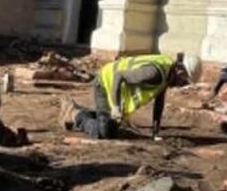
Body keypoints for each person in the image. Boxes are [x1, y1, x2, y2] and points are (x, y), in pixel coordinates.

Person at [62, 53, 191, 140]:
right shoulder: (153, 73)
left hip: (115, 89)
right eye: (183, 81)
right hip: (105, 82)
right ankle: (75, 114)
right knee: (104, 133)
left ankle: (94, 113)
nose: (181, 85)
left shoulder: (167, 75)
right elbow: (119, 76)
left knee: (110, 126)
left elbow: (159, 102)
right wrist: (115, 107)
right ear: (179, 71)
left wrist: (155, 132)